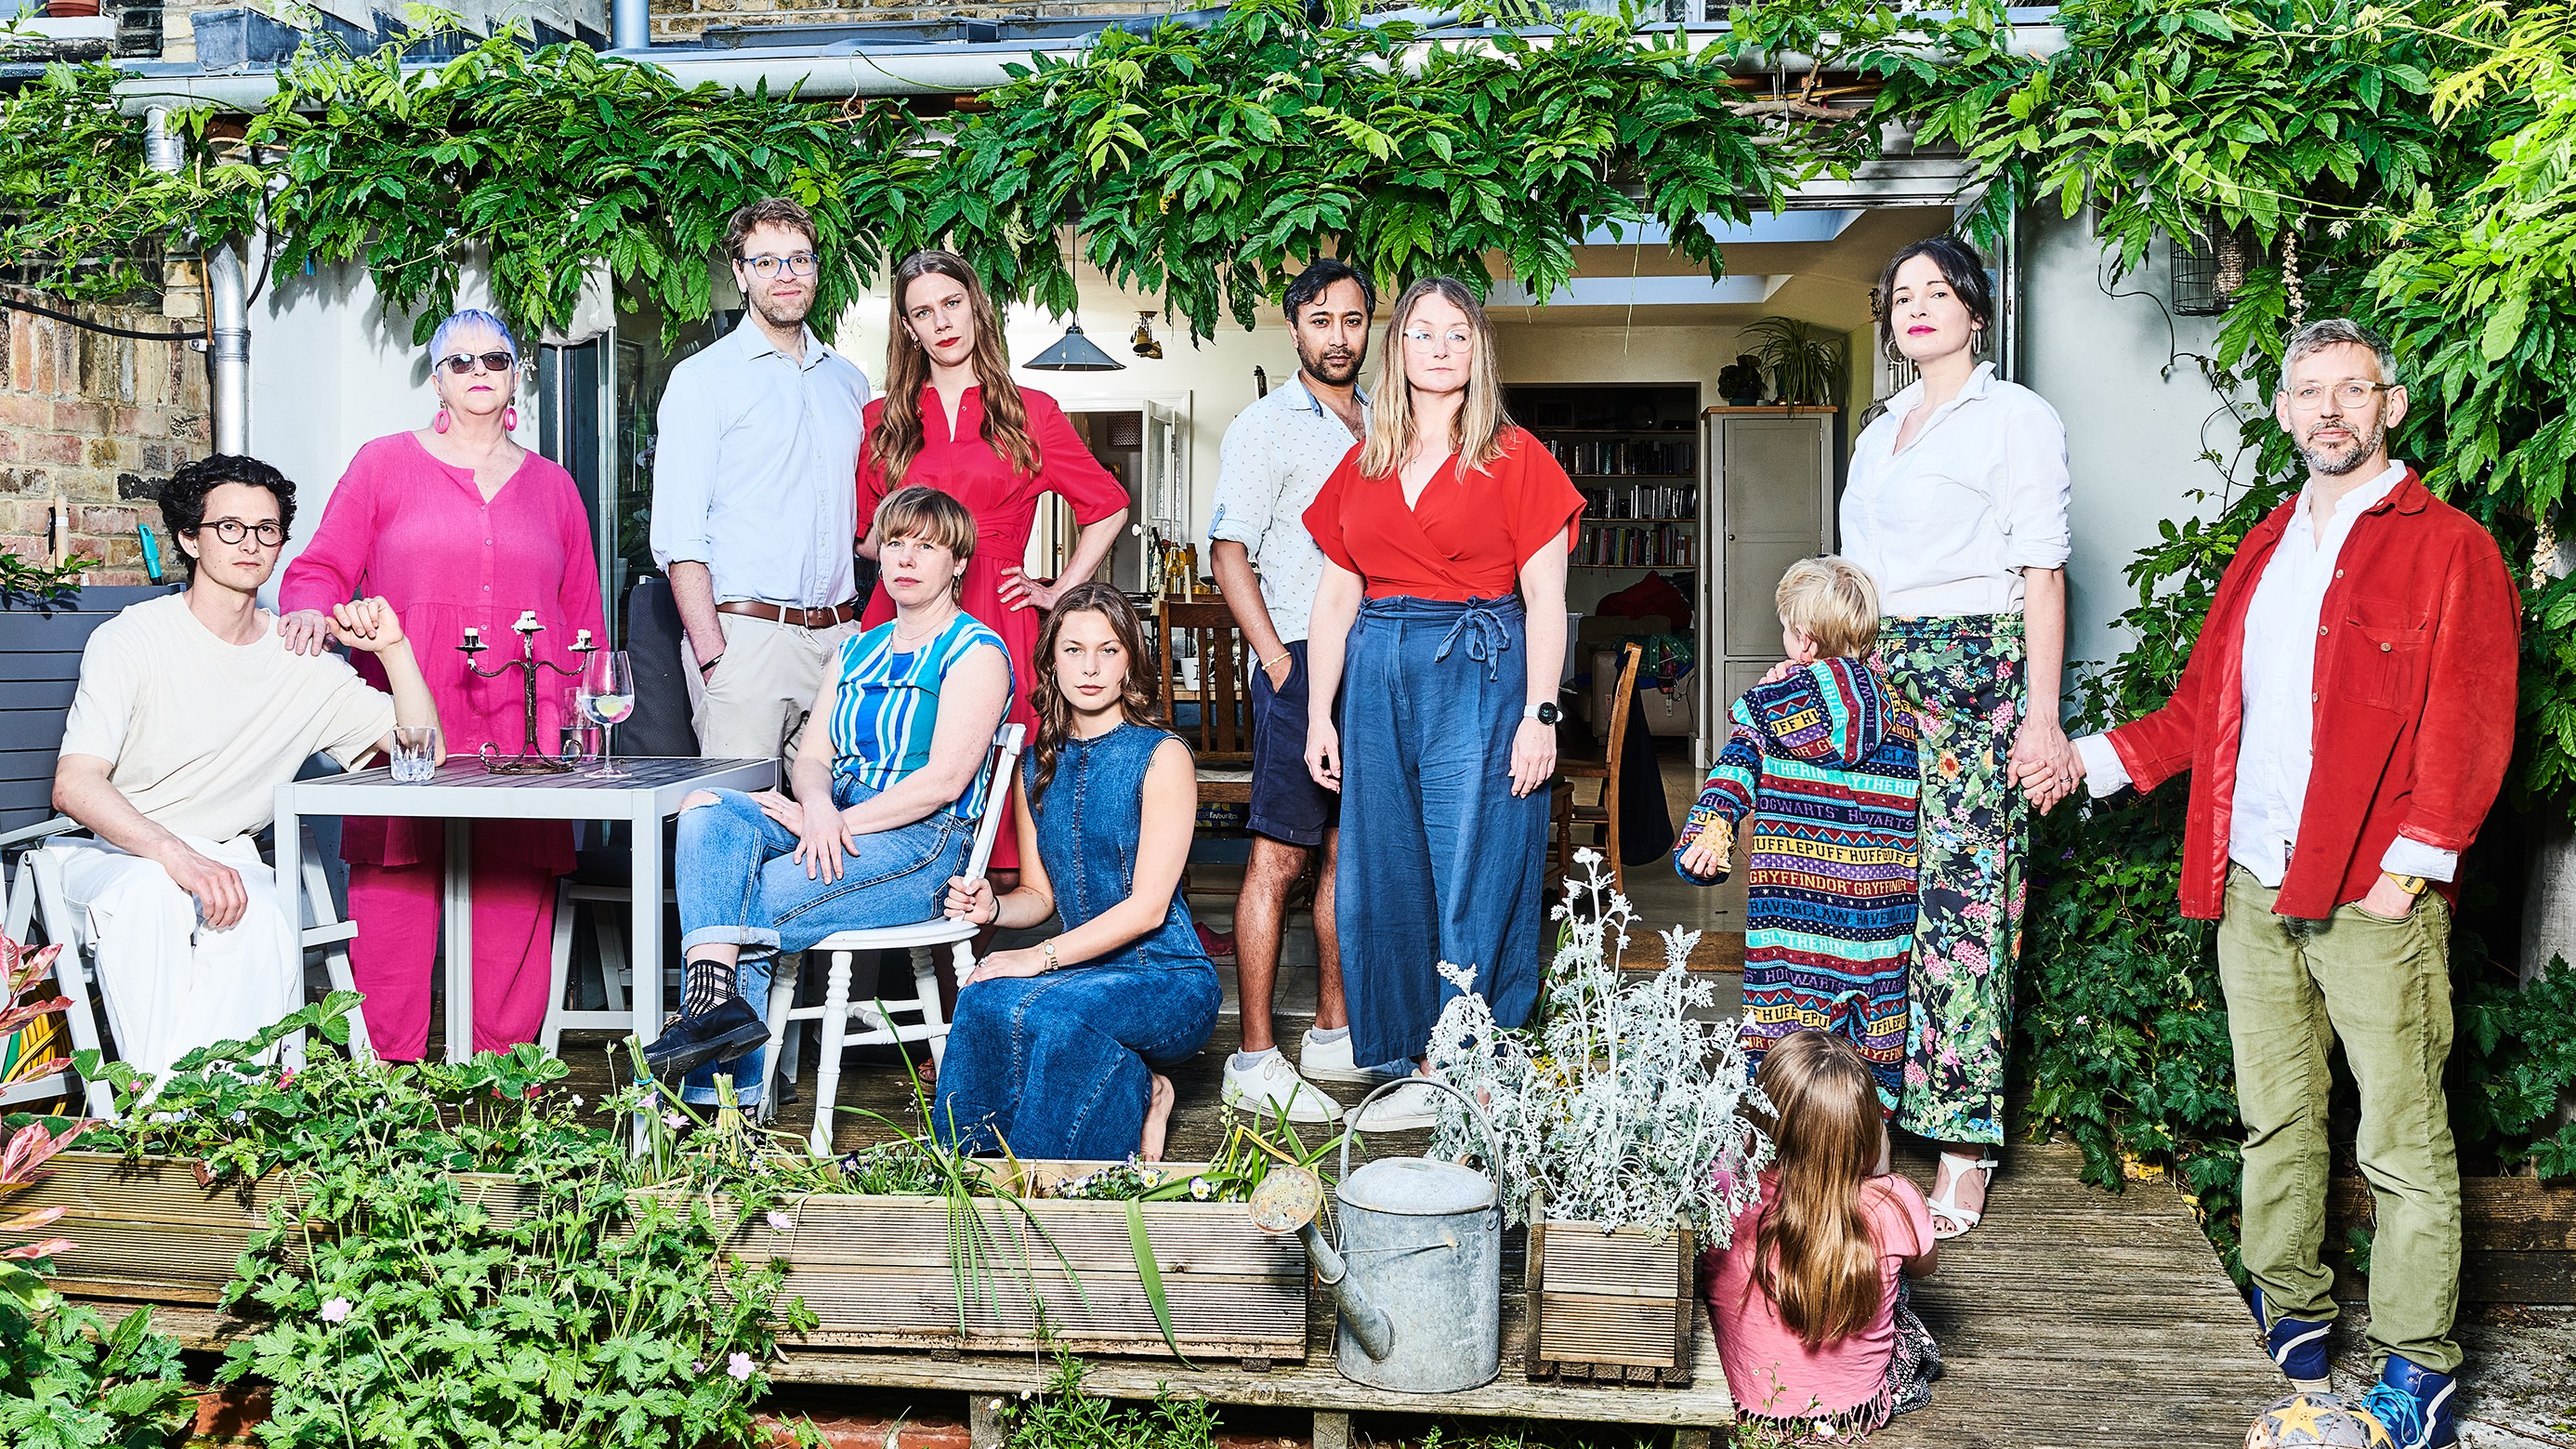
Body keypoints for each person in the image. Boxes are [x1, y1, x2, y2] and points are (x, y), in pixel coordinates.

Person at [2053, 319, 2516, 1448]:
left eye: (2350, 390)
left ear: (2391, 405)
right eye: (2308, 392)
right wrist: (2085, 762)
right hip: (2255, 881)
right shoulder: (2265, 547)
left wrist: (2415, 867)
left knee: (2400, 1139)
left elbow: (2470, 720)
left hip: (2373, 890)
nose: (2329, 411)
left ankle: (2418, 1366)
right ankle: (2291, 1315)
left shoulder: (2451, 545)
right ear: (2284, 411)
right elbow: (2202, 711)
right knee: (2278, 1119)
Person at [279, 308, 607, 1060]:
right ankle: (384, 1087)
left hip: (524, 735)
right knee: (392, 902)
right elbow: (319, 568)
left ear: (517, 372)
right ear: (437, 378)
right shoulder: (382, 464)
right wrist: (304, 613)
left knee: (514, 901)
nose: (479, 371)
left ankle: (506, 1087)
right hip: (409, 727)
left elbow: (583, 617)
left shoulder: (555, 487)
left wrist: (581, 720)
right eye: (460, 362)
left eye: (495, 358)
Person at [48, 454, 441, 1075]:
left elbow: (425, 755)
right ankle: (164, 1116)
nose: (250, 543)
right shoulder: (132, 639)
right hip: (116, 857)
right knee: (156, 894)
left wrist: (393, 649)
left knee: (259, 909)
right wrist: (179, 857)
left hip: (226, 858)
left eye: (266, 529)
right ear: (189, 537)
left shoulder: (299, 659)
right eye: (229, 527)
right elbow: (74, 784)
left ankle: (218, 1116)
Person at [1301, 276, 1584, 1132]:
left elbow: (1547, 599)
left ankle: (1463, 1057)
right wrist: (1320, 712)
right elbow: (1333, 599)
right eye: (1422, 333)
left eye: (1456, 334)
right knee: (1379, 869)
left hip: (1481, 670)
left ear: (1478, 350)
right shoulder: (1366, 460)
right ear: (1399, 349)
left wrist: (1541, 713)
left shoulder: (1516, 455)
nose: (1438, 347)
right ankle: (1403, 1053)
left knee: (1476, 856)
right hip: (1379, 668)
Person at [1838, 234, 2073, 1238]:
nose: (1919, 306)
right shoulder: (1878, 427)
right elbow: (1856, 575)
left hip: (1977, 668)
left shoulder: (2016, 416)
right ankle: (1878, 1126)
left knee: (1966, 912)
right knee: (1877, 899)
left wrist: (2044, 715)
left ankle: (1966, 1146)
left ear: (1976, 311)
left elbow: (2044, 572)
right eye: (1903, 296)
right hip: (1879, 668)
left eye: (1940, 292)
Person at [645, 487, 1013, 1086]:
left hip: (922, 844)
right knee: (706, 805)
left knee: (749, 900)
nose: (906, 559)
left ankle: (717, 1112)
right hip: (835, 818)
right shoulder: (857, 648)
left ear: (959, 561)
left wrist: (832, 825)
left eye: (926, 546)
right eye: (895, 544)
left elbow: (943, 782)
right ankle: (715, 1015)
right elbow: (812, 758)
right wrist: (815, 807)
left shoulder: (976, 652)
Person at [854, 250, 1131, 875]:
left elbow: (1108, 505)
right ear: (907, 327)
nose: (942, 322)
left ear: (976, 306)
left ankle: (982, 965)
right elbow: (868, 540)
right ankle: (904, 957)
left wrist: (1060, 590)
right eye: (923, 312)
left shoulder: (1031, 411)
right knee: (895, 780)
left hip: (997, 612)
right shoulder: (881, 420)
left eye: (951, 303)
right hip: (898, 622)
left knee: (1002, 831)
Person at [934, 584, 1220, 1161]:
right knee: (982, 999)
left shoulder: (1164, 756)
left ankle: (1055, 1188)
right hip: (1082, 972)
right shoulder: (1038, 766)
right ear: (1050, 661)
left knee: (1055, 1012)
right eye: (1073, 650)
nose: (1090, 668)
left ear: (1130, 664)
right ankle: (967, 1176)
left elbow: (1148, 910)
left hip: (1167, 980)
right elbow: (1039, 896)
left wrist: (1034, 958)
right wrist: (994, 906)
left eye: (1108, 651)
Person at [1206, 258, 1382, 1126]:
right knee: (1279, 857)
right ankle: (1253, 1055)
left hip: (1374, 662)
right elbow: (1227, 550)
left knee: (1349, 856)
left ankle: (1334, 1030)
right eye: (1322, 321)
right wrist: (1276, 658)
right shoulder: (1264, 426)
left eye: (1353, 321)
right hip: (1301, 658)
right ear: (1294, 328)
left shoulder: (1387, 423)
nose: (1339, 337)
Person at [1673, 558, 1921, 1112]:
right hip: (1881, 926)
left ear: (1804, 641)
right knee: (1869, 1067)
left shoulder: (1773, 705)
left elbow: (1734, 772)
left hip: (1797, 917)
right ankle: (1872, 1171)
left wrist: (1707, 837)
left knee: (1790, 1056)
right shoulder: (1905, 713)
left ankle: (1783, 1168)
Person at [651, 196, 874, 763]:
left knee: (832, 833)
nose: (785, 275)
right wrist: (712, 655)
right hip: (746, 642)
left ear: (817, 271)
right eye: (766, 261)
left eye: (799, 259)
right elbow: (680, 534)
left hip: (840, 643)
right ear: (741, 273)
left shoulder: (848, 383)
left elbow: (856, 523)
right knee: (734, 826)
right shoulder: (703, 379)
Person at [1708, 1030, 1940, 1436]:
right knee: (1894, 1282)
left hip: (1749, 1399)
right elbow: (1924, 1268)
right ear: (1866, 1126)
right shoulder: (1896, 1202)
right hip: (1854, 1407)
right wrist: (1879, 1168)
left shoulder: (1724, 1187)